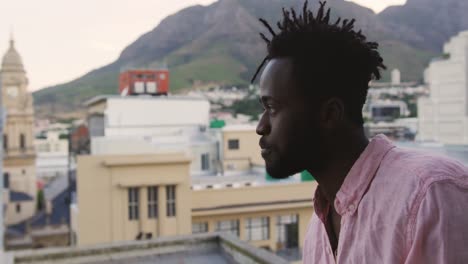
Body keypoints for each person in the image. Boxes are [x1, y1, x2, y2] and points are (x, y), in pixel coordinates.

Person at [252, 1, 468, 263]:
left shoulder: (430, 195)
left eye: (272, 108)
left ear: (329, 114)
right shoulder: (317, 233)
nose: (260, 126)